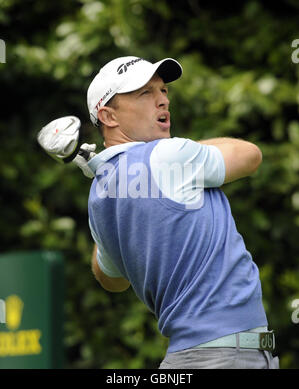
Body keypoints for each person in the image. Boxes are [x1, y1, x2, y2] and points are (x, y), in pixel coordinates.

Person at [82, 56, 279, 369]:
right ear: (108, 116)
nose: (162, 100)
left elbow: (112, 280)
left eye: (162, 90)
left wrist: (116, 175)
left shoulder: (100, 195)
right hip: (227, 357)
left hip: (184, 359)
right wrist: (171, 154)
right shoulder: (171, 155)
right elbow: (250, 155)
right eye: (144, 93)